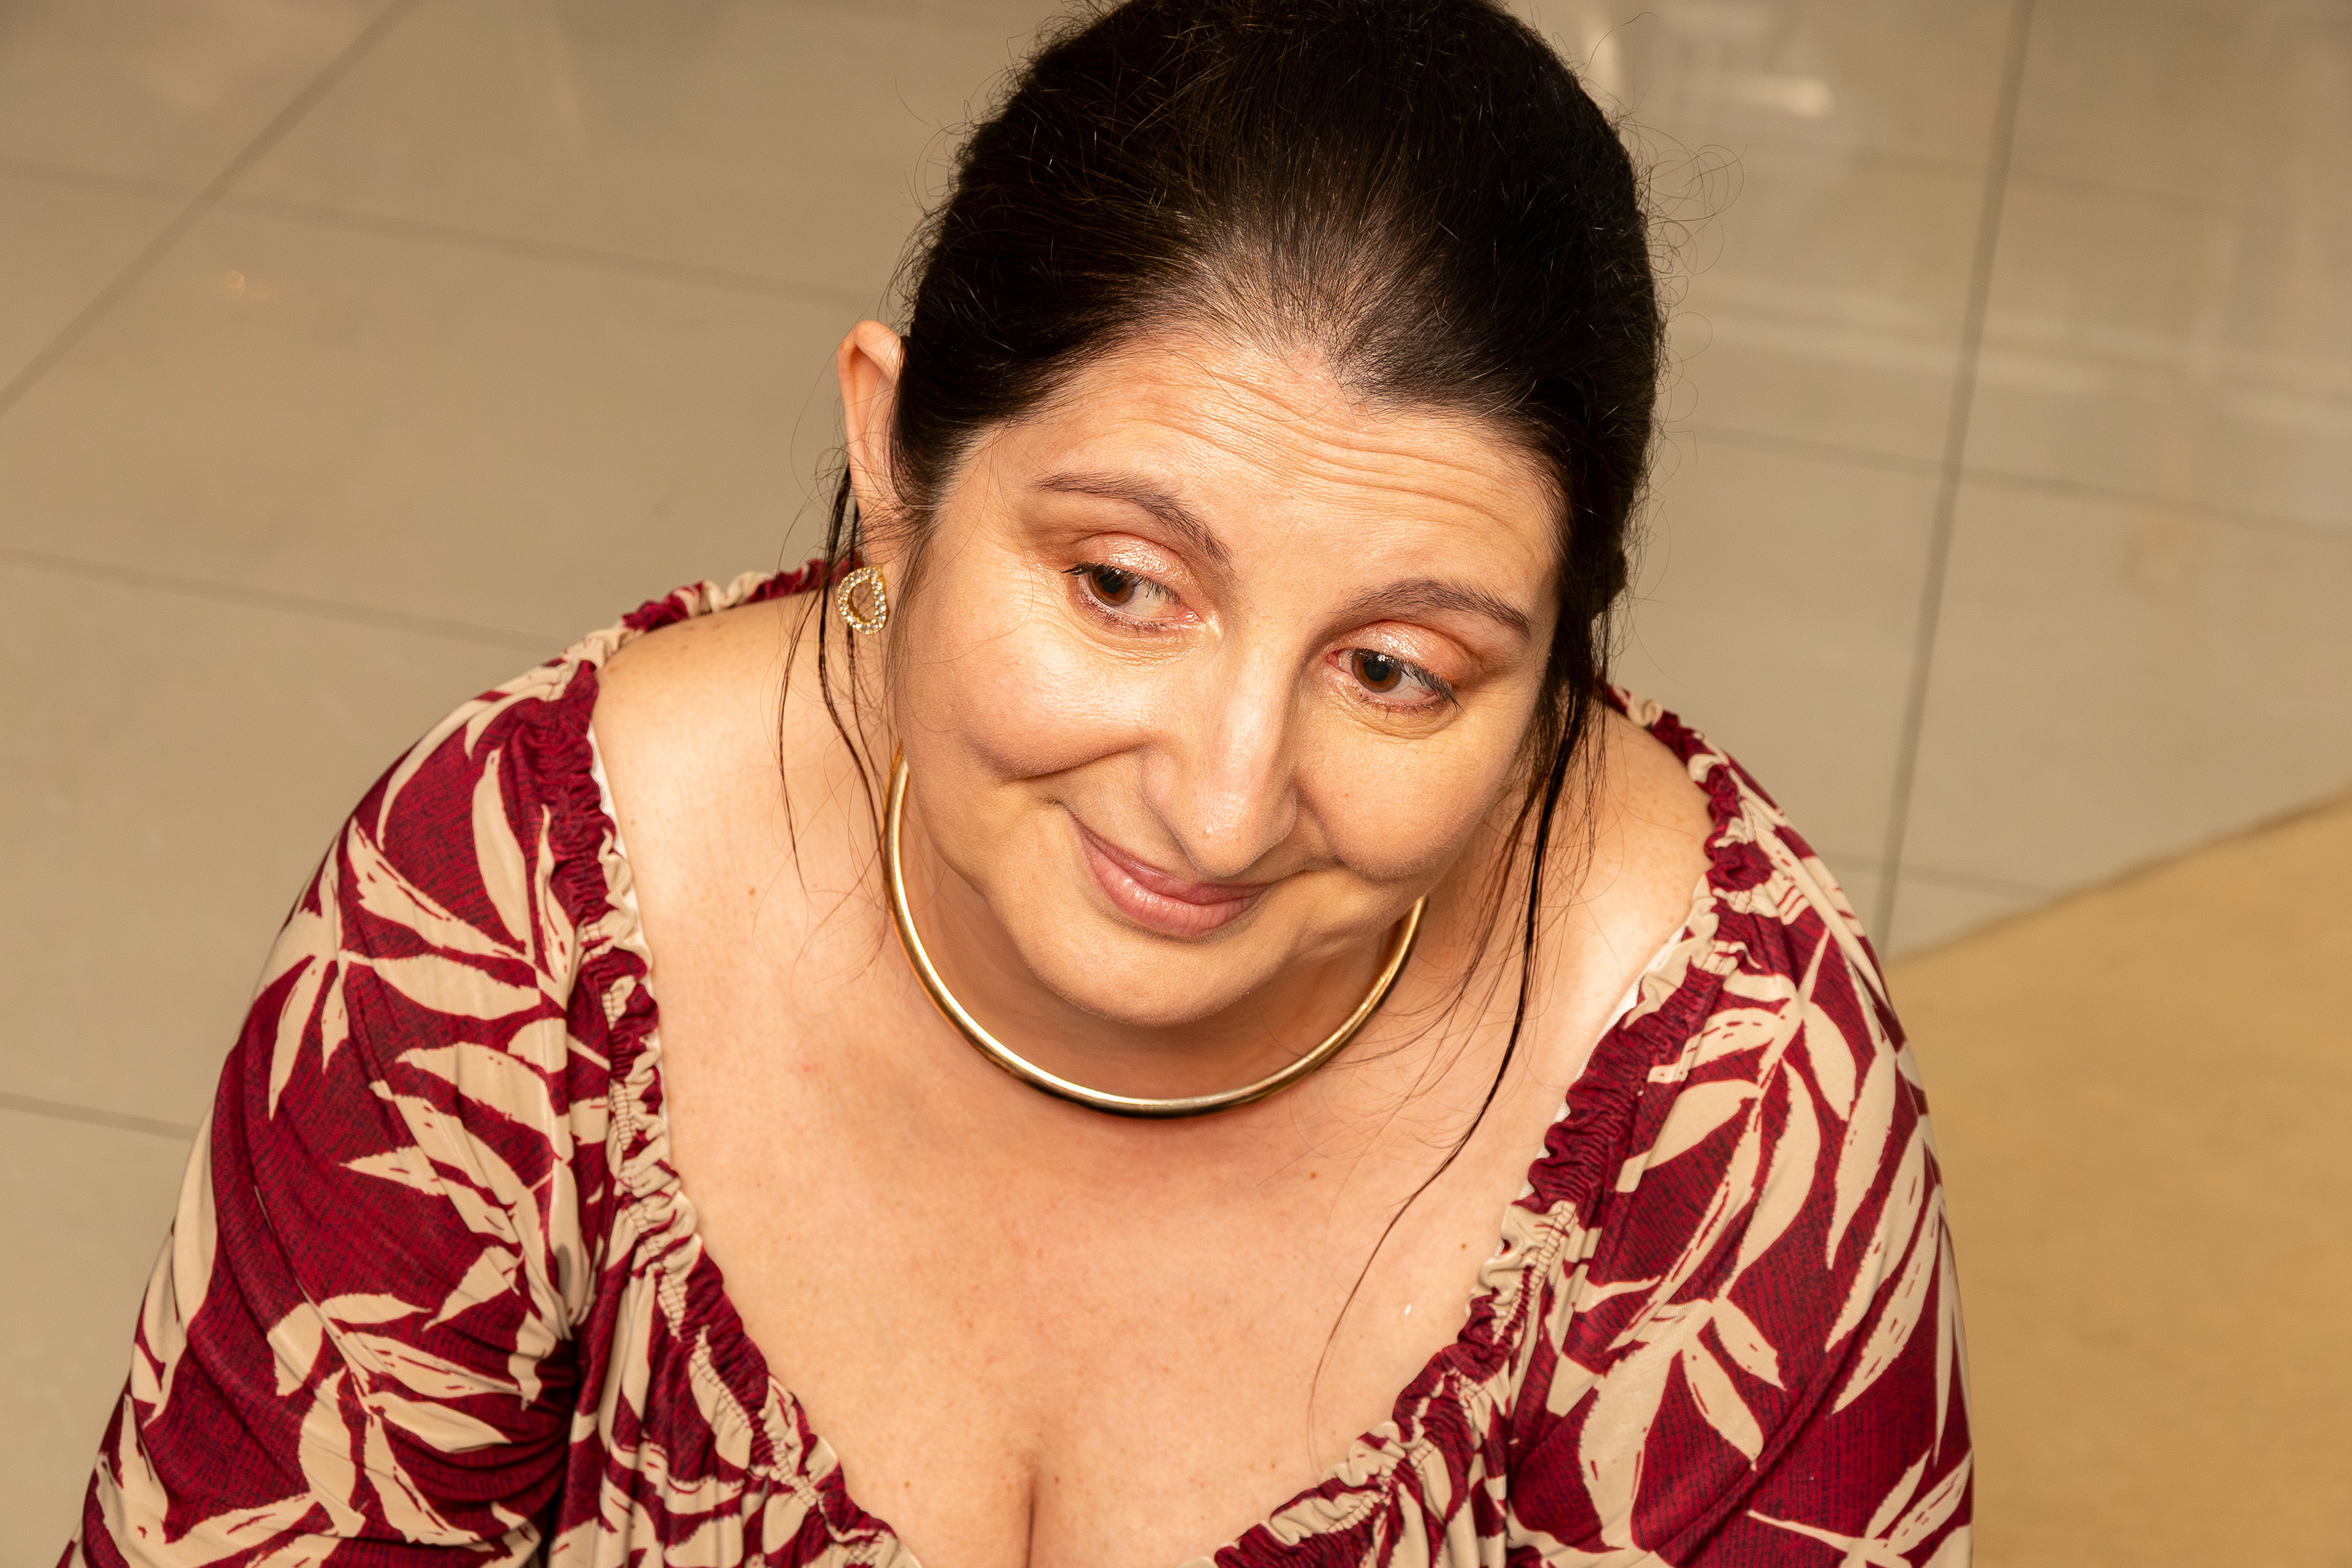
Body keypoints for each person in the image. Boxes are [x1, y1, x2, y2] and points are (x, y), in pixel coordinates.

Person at [62, 1, 1970, 1563]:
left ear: (1553, 675)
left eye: (1396, 670)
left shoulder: (1735, 1084)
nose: (1223, 803)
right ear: (892, 464)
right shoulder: (512, 906)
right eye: (1123, 586)